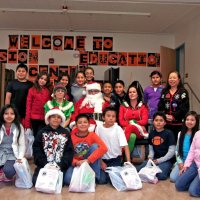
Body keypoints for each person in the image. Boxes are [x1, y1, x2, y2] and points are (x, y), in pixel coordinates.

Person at [32, 107, 74, 185]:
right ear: (49, 118)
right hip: (44, 165)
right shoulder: (41, 132)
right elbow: (36, 149)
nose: (56, 119)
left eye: (58, 117)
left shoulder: (66, 133)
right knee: (36, 182)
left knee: (64, 182)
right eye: (53, 117)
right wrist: (45, 164)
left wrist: (60, 165)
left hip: (60, 166)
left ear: (61, 120)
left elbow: (69, 152)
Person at [64, 114, 108, 185]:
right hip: (77, 163)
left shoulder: (92, 135)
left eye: (85, 122)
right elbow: (67, 154)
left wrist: (88, 160)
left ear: (89, 124)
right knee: (67, 180)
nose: (82, 124)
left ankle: (93, 177)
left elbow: (104, 148)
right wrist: (76, 162)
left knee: (95, 146)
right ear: (76, 125)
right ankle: (85, 177)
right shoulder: (71, 137)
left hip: (89, 162)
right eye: (80, 122)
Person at [95, 107, 131, 184]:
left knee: (114, 180)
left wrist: (128, 162)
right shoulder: (98, 128)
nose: (111, 118)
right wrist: (101, 162)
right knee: (102, 180)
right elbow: (97, 146)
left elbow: (125, 146)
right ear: (103, 117)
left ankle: (118, 170)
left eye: (113, 116)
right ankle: (109, 172)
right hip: (103, 159)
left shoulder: (118, 129)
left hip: (115, 159)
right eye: (108, 116)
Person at [138, 111, 176, 180]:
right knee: (139, 169)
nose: (158, 122)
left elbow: (171, 152)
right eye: (156, 120)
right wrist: (150, 157)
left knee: (161, 175)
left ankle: (169, 168)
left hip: (167, 160)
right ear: (153, 122)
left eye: (161, 120)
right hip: (155, 159)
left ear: (165, 123)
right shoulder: (151, 134)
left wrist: (159, 161)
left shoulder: (169, 133)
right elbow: (151, 149)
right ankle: (154, 168)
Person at [158, 71, 189, 141]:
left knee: (177, 144)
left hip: (178, 124)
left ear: (179, 79)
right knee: (166, 143)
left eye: (174, 78)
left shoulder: (183, 92)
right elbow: (160, 106)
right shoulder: (164, 91)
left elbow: (184, 108)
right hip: (165, 124)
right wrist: (164, 115)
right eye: (170, 78)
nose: (172, 80)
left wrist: (173, 116)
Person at [119, 81, 148, 153]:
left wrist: (133, 122)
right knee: (132, 137)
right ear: (128, 94)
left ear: (137, 94)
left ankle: (121, 153)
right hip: (125, 130)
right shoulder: (123, 106)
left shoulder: (143, 106)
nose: (132, 94)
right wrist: (133, 123)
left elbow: (144, 121)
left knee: (131, 127)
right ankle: (126, 158)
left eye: (134, 92)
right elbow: (121, 122)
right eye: (130, 92)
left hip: (140, 131)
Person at [170, 111, 199, 182]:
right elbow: (177, 150)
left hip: (192, 163)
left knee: (183, 179)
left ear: (196, 122)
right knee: (173, 178)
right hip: (182, 161)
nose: (189, 122)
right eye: (187, 119)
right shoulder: (180, 133)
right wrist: (180, 163)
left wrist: (188, 164)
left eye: (192, 120)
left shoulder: (198, 134)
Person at [0, 104, 25, 182]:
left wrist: (20, 157)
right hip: (1, 152)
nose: (9, 116)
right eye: (6, 113)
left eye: (12, 113)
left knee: (9, 171)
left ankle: (4, 171)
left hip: (12, 154)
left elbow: (22, 144)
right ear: (2, 115)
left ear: (15, 115)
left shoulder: (19, 127)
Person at [24, 71, 52, 137]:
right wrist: (27, 124)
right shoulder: (31, 90)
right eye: (41, 78)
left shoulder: (48, 91)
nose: (42, 81)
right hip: (34, 119)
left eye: (45, 80)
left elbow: (50, 105)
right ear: (38, 78)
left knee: (43, 137)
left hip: (45, 119)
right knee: (36, 137)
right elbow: (28, 106)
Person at [175, 130, 200, 197]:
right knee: (179, 185)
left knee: (193, 191)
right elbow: (192, 151)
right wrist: (186, 165)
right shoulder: (197, 133)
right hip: (195, 164)